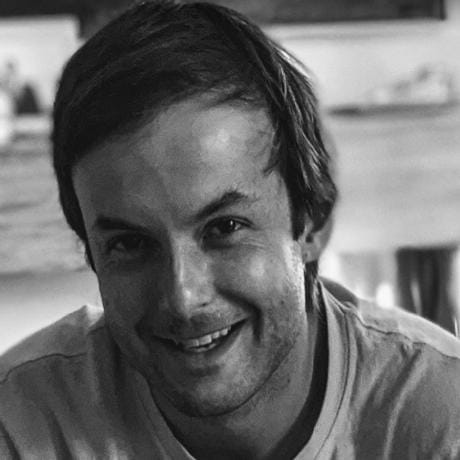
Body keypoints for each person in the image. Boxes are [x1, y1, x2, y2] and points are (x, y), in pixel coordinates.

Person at [1, 1, 460, 458]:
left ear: (311, 223)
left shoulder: (441, 416)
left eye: (224, 228)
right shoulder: (22, 423)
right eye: (130, 243)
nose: (183, 298)